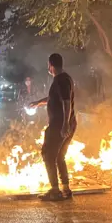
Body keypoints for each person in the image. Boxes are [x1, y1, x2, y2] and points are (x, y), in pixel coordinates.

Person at [29, 53, 76, 201]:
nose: (47, 67)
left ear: (51, 65)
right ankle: (66, 189)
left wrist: (64, 125)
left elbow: (66, 102)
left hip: (58, 125)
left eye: (48, 65)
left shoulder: (61, 80)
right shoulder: (63, 79)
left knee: (48, 155)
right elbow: (53, 98)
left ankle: (55, 190)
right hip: (66, 124)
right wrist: (38, 102)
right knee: (60, 156)